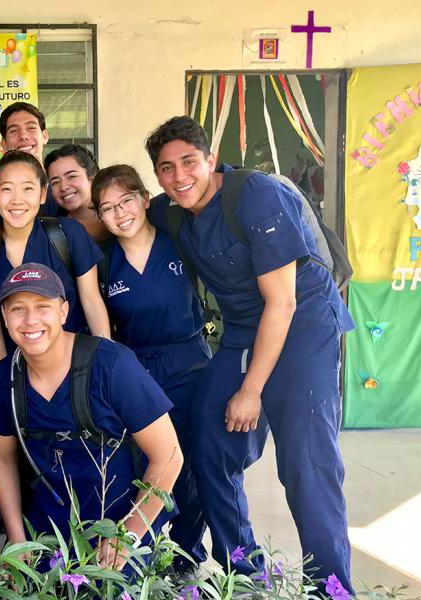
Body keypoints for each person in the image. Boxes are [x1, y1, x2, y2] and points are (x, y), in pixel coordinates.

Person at [144, 116, 356, 591]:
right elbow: (120, 214)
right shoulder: (172, 211)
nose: (179, 177)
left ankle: (332, 588)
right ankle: (244, 570)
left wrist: (251, 391)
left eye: (189, 163)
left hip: (302, 328)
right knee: (208, 444)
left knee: (307, 464)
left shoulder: (256, 194)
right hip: (244, 332)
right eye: (165, 168)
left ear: (210, 159)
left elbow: (281, 303)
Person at [0, 263, 182, 572]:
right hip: (52, 524)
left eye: (42, 307)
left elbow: (169, 456)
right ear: (5, 318)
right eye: (17, 309)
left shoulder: (111, 365)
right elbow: (2, 460)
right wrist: (18, 540)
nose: (30, 320)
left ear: (64, 312)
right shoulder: (4, 379)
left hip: (120, 517)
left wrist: (127, 535)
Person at [91, 164, 212, 572]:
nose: (120, 212)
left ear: (145, 198)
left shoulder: (178, 240)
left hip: (191, 362)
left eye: (126, 200)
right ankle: (143, 553)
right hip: (138, 370)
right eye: (107, 208)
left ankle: (187, 555)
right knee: (149, 466)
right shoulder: (104, 263)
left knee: (194, 464)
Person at [0, 150, 110, 365]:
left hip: (77, 361)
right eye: (7, 189)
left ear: (42, 194)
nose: (17, 200)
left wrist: (105, 358)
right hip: (21, 365)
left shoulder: (68, 234)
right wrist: (5, 376)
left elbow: (91, 300)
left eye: (28, 188)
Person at [0, 101, 59, 216]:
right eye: (14, 131)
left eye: (31, 128)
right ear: (3, 144)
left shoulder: (61, 187)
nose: (23, 136)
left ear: (44, 136)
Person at [45, 143, 108, 242]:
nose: (64, 187)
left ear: (91, 177)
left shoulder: (119, 217)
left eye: (71, 176)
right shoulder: (51, 232)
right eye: (55, 182)